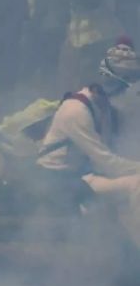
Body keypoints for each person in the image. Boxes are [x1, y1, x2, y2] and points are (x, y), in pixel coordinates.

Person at [33, 37, 140, 242]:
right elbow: (107, 163)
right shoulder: (76, 110)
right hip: (59, 181)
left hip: (82, 175)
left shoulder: (105, 108)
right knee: (137, 184)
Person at [58, 0, 122, 93]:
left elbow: (92, 1)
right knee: (79, 83)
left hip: (100, 39)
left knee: (95, 83)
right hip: (79, 43)